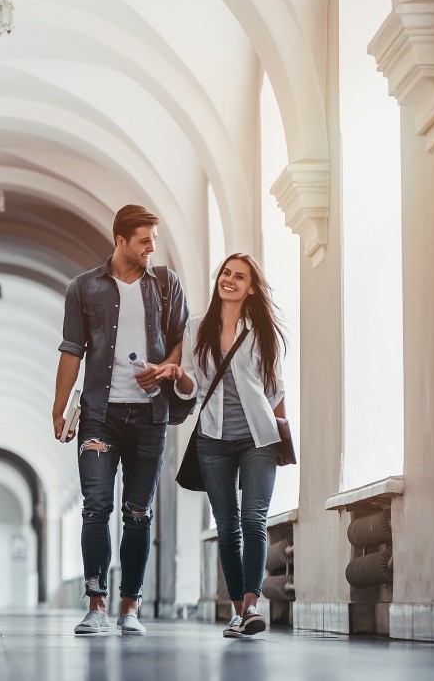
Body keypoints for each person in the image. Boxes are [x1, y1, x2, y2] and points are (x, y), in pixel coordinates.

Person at [52, 205, 189, 636]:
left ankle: (130, 607)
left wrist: (164, 369)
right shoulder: (83, 288)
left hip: (150, 415)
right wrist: (58, 410)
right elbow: (71, 350)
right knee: (95, 507)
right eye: (144, 240)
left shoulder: (166, 285)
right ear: (121, 240)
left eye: (154, 240)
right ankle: (96, 605)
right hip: (99, 415)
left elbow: (182, 341)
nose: (151, 248)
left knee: (138, 512)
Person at [155, 253, 286, 638]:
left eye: (239, 276)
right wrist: (179, 375)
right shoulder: (197, 328)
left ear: (251, 287)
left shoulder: (262, 329)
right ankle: (236, 611)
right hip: (213, 439)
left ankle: (252, 605)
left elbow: (275, 388)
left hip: (258, 438)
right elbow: (193, 386)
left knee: (254, 520)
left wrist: (284, 435)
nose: (229, 280)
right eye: (226, 273)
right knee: (228, 528)